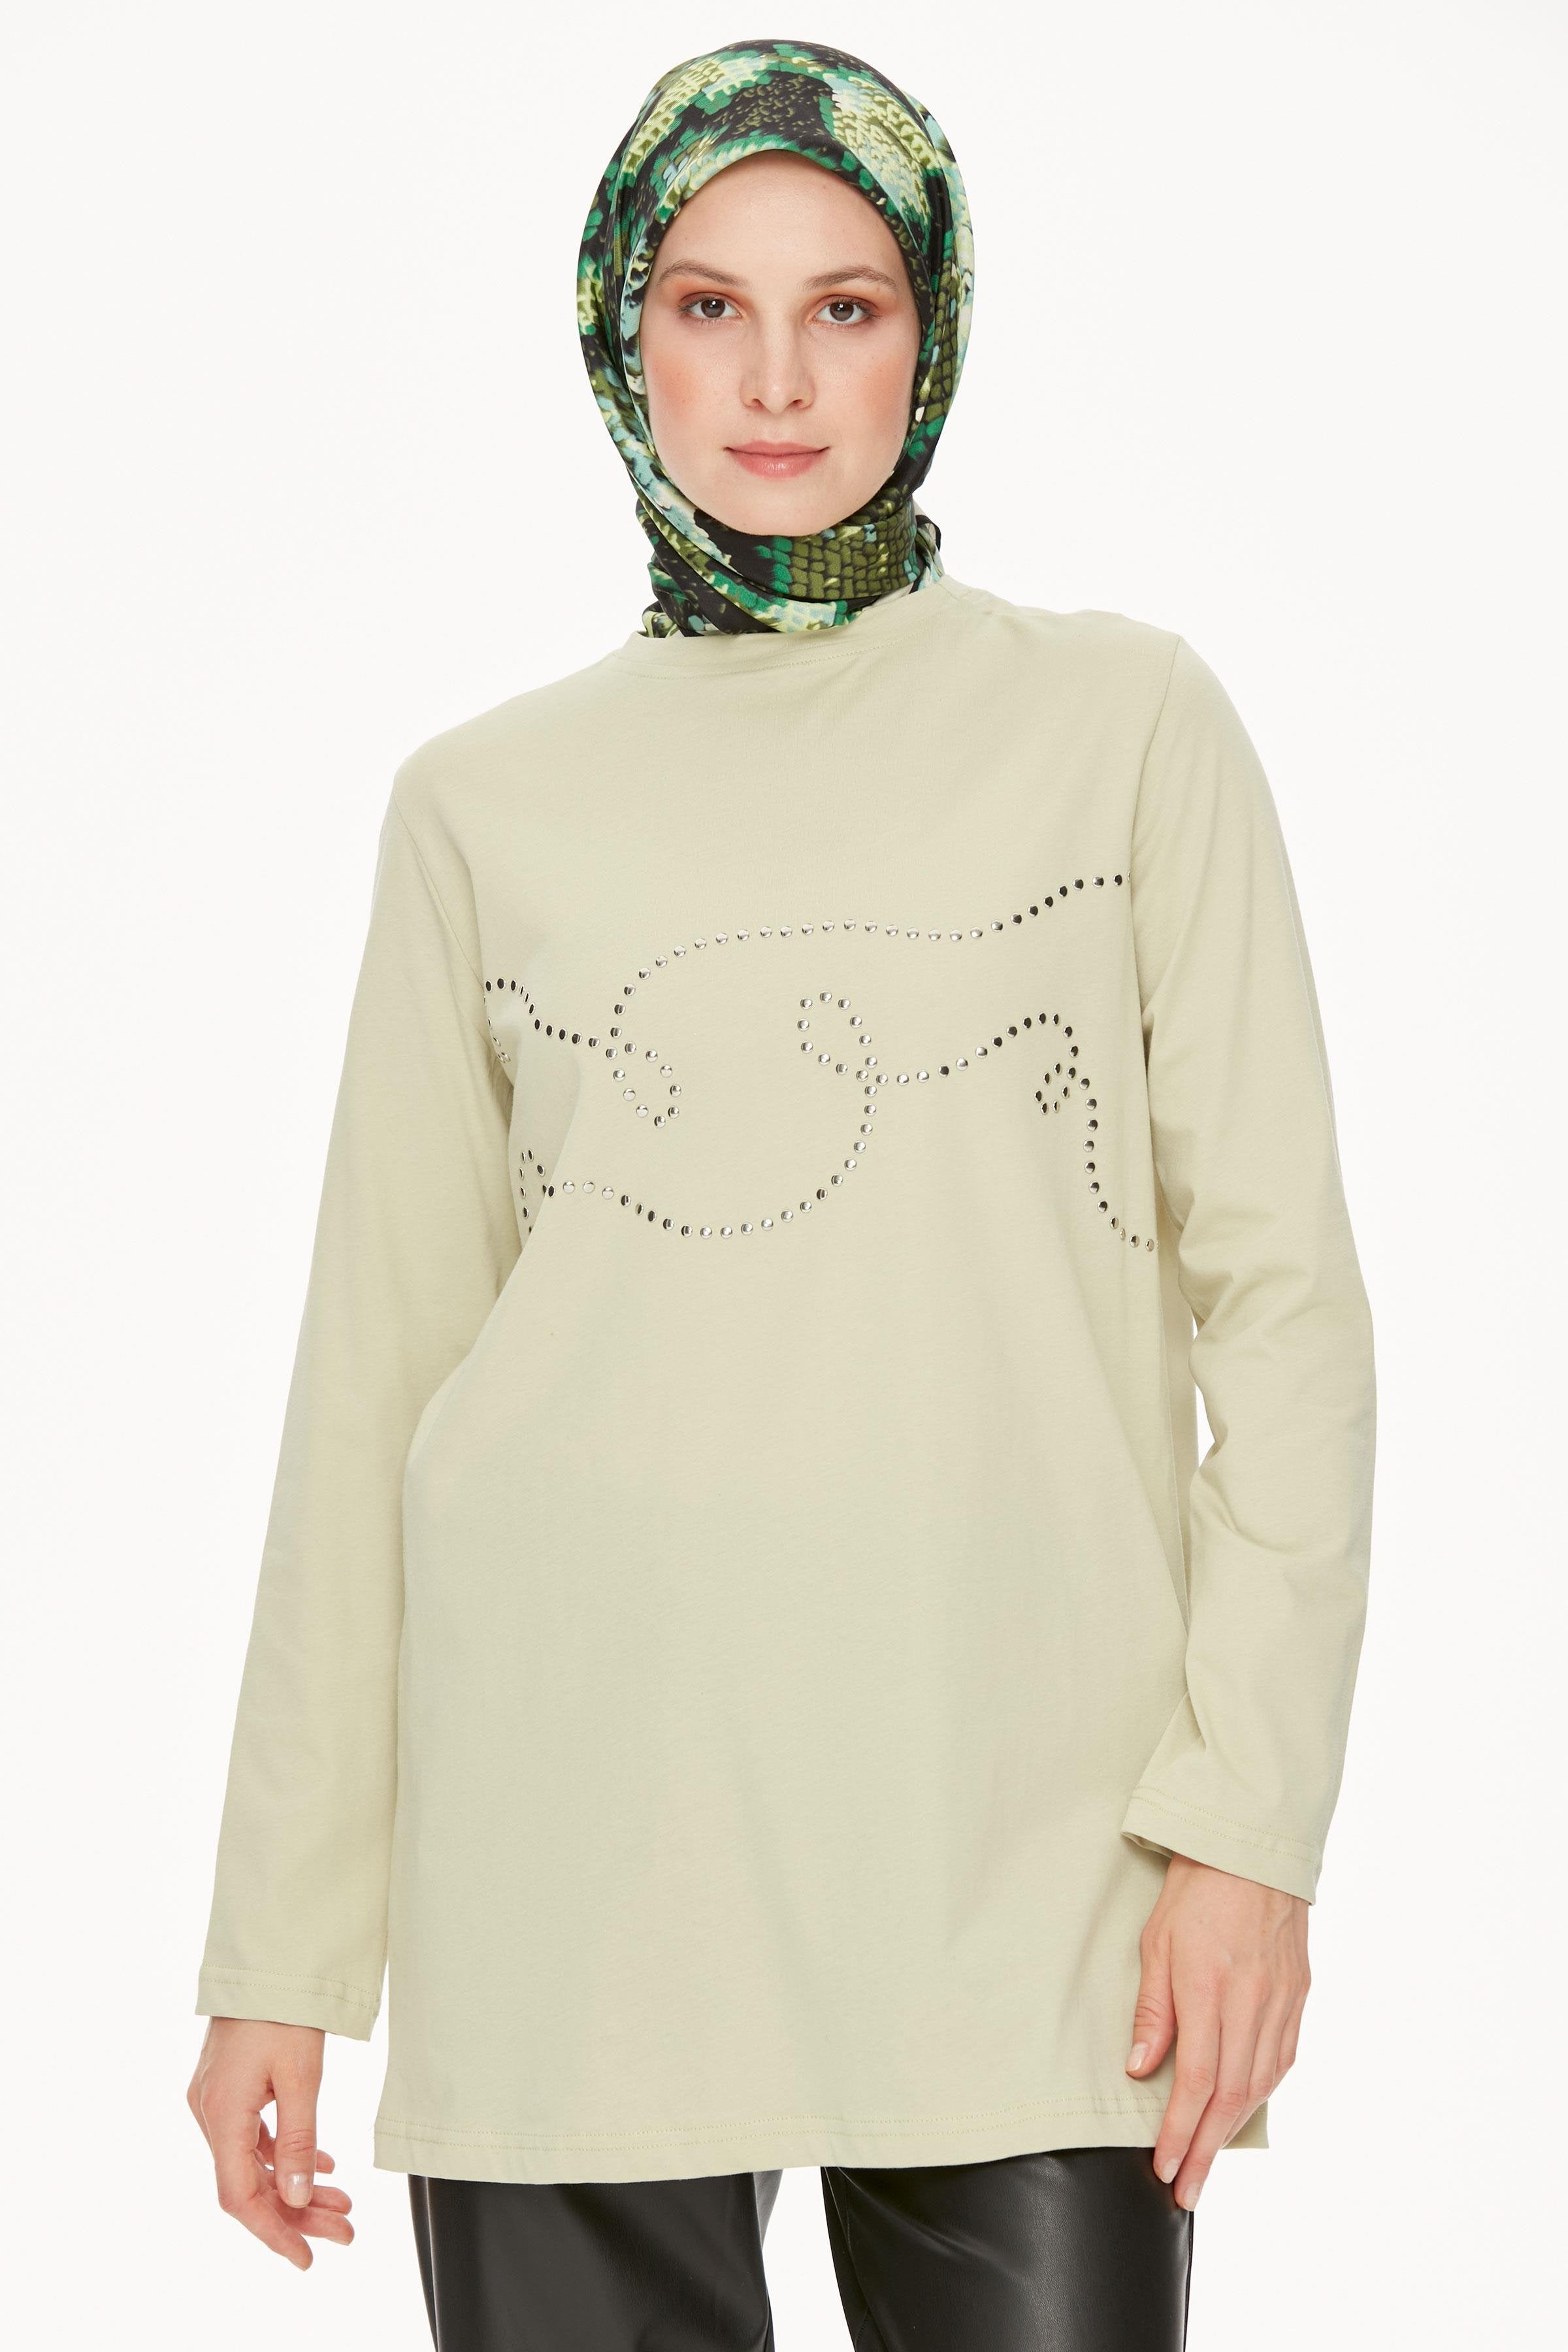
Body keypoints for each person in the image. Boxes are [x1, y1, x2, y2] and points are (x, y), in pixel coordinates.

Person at [187, 37, 1377, 2349]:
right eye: (708, 306)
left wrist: (1249, 1827)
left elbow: (1292, 1312)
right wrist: (281, 1956)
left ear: (933, 329)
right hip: (570, 1862)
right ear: (618, 329)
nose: (774, 380)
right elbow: (375, 1391)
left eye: (846, 306)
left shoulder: (1126, 727)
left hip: (1033, 1870)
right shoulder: (480, 805)